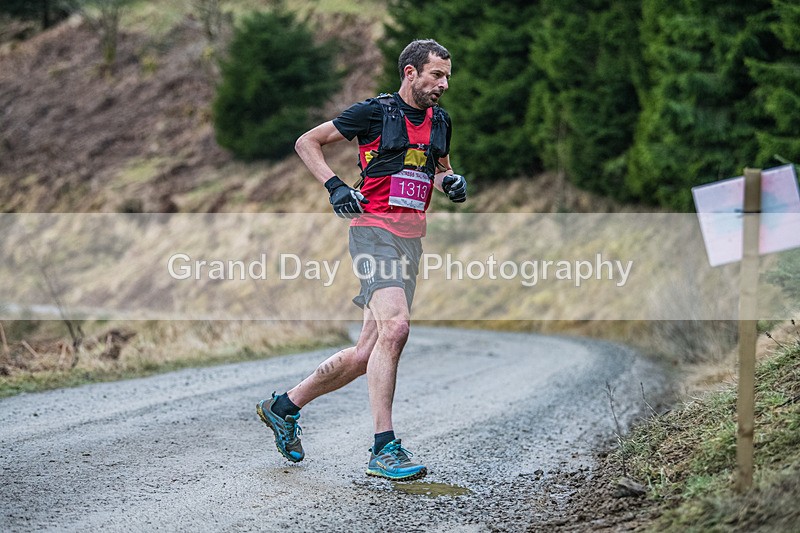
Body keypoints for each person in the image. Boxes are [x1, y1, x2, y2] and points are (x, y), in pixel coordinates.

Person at [256, 39, 467, 481]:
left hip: (410, 240)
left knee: (367, 352)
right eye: (436, 75)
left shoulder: (441, 121)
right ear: (410, 73)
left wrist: (450, 182)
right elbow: (307, 142)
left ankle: (284, 406)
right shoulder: (374, 112)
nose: (444, 84)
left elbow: (440, 168)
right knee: (397, 327)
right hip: (372, 232)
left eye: (447, 76)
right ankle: (383, 448)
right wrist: (335, 186)